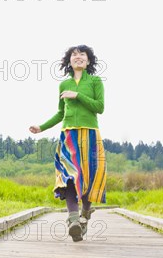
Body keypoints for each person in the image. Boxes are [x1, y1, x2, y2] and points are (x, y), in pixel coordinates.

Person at [29, 44, 107, 242]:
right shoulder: (63, 85)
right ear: (69, 61)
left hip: (89, 135)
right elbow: (60, 113)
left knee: (88, 179)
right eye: (74, 55)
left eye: (82, 54)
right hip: (68, 137)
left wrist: (78, 96)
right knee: (69, 177)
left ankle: (85, 214)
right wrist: (41, 127)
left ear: (88, 61)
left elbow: (100, 107)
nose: (78, 57)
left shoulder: (95, 81)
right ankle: (74, 221)